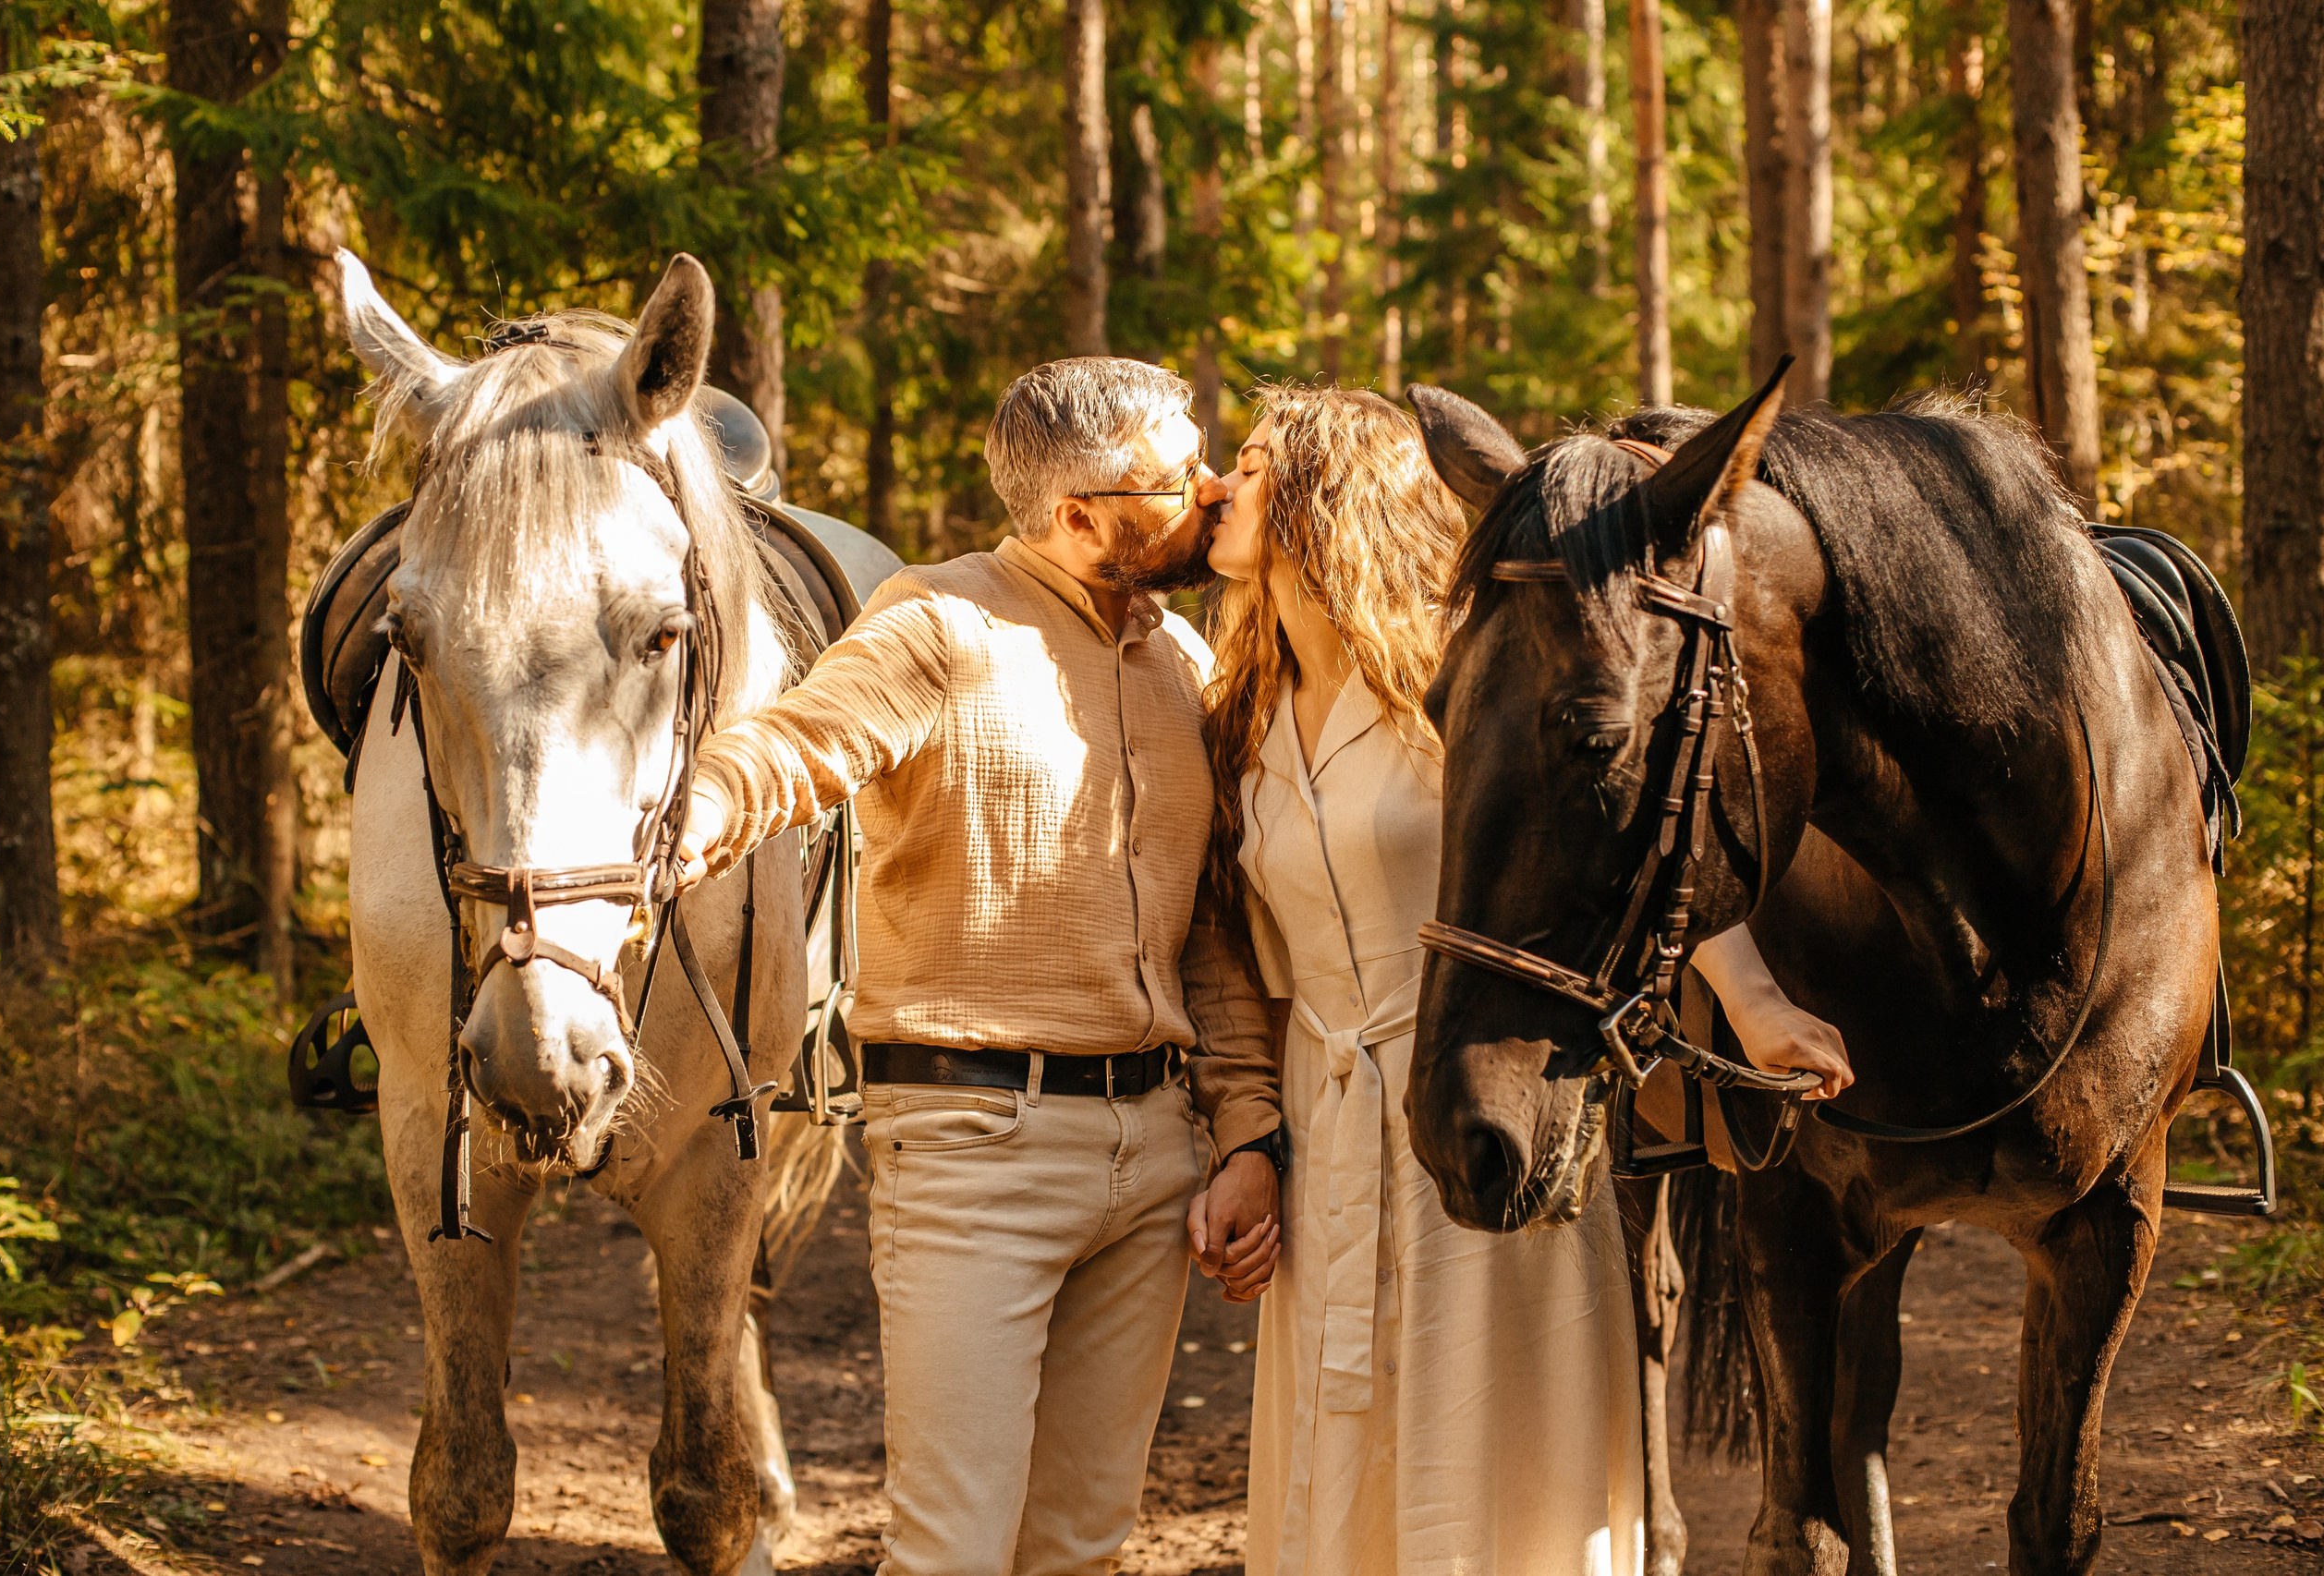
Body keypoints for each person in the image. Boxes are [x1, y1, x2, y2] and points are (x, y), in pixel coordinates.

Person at [1184, 388, 1853, 1576]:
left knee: (1497, 1458)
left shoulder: (1459, 680)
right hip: (1326, 1129)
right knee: (1339, 1463)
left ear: (1329, 497)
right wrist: (1253, 1137)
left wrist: (1756, 1009)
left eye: (1248, 462)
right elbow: (1243, 961)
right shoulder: (1239, 714)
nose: (1214, 488)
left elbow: (1610, 839)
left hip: (1491, 1081)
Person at [674, 357, 1284, 1576]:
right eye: (1177, 476)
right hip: (975, 1148)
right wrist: (688, 813)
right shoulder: (938, 620)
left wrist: (1247, 1133)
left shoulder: (1183, 661)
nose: (1213, 489)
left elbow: (1211, 933)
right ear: (1079, 516)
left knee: (1083, 1544)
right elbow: (797, 744)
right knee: (951, 1550)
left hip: (1154, 1158)